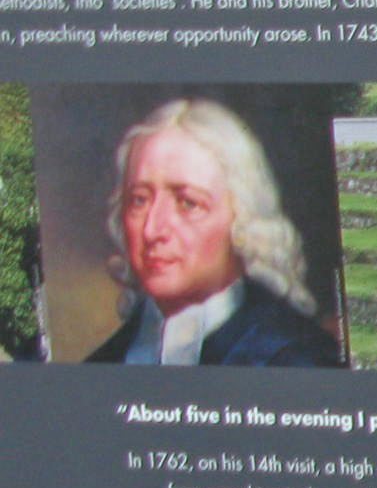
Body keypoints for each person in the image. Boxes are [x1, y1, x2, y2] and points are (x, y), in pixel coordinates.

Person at [88, 98, 339, 367]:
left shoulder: (299, 356)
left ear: (242, 217)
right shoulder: (101, 365)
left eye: (188, 203)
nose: (152, 231)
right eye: (139, 200)